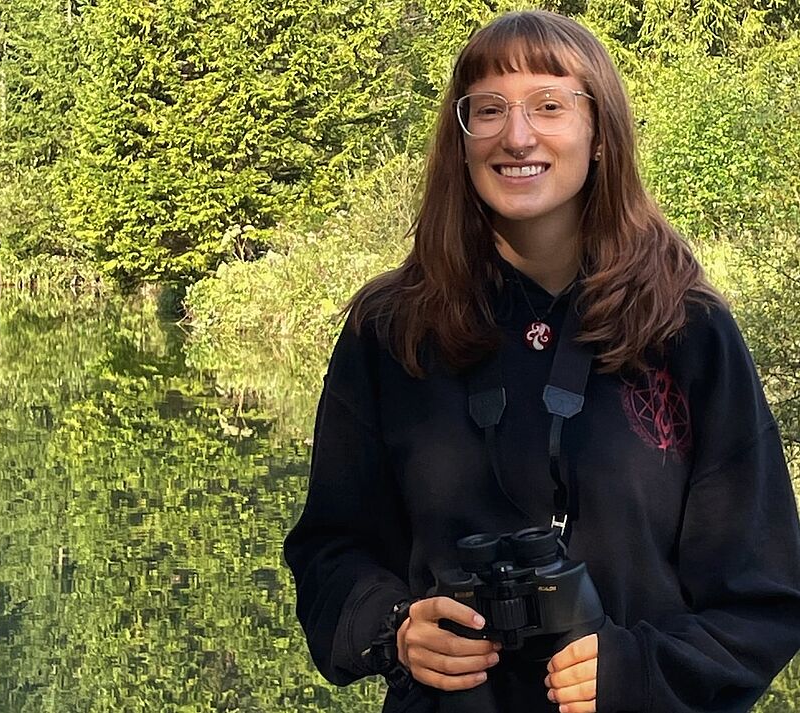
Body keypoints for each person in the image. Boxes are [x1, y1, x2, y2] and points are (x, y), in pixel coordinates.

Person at [284, 10, 800, 713]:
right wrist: (396, 630)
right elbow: (328, 550)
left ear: (598, 135)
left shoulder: (684, 329)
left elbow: (764, 592)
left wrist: (644, 673)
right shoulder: (392, 330)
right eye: (488, 109)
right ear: (459, 141)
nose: (516, 135)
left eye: (549, 105)